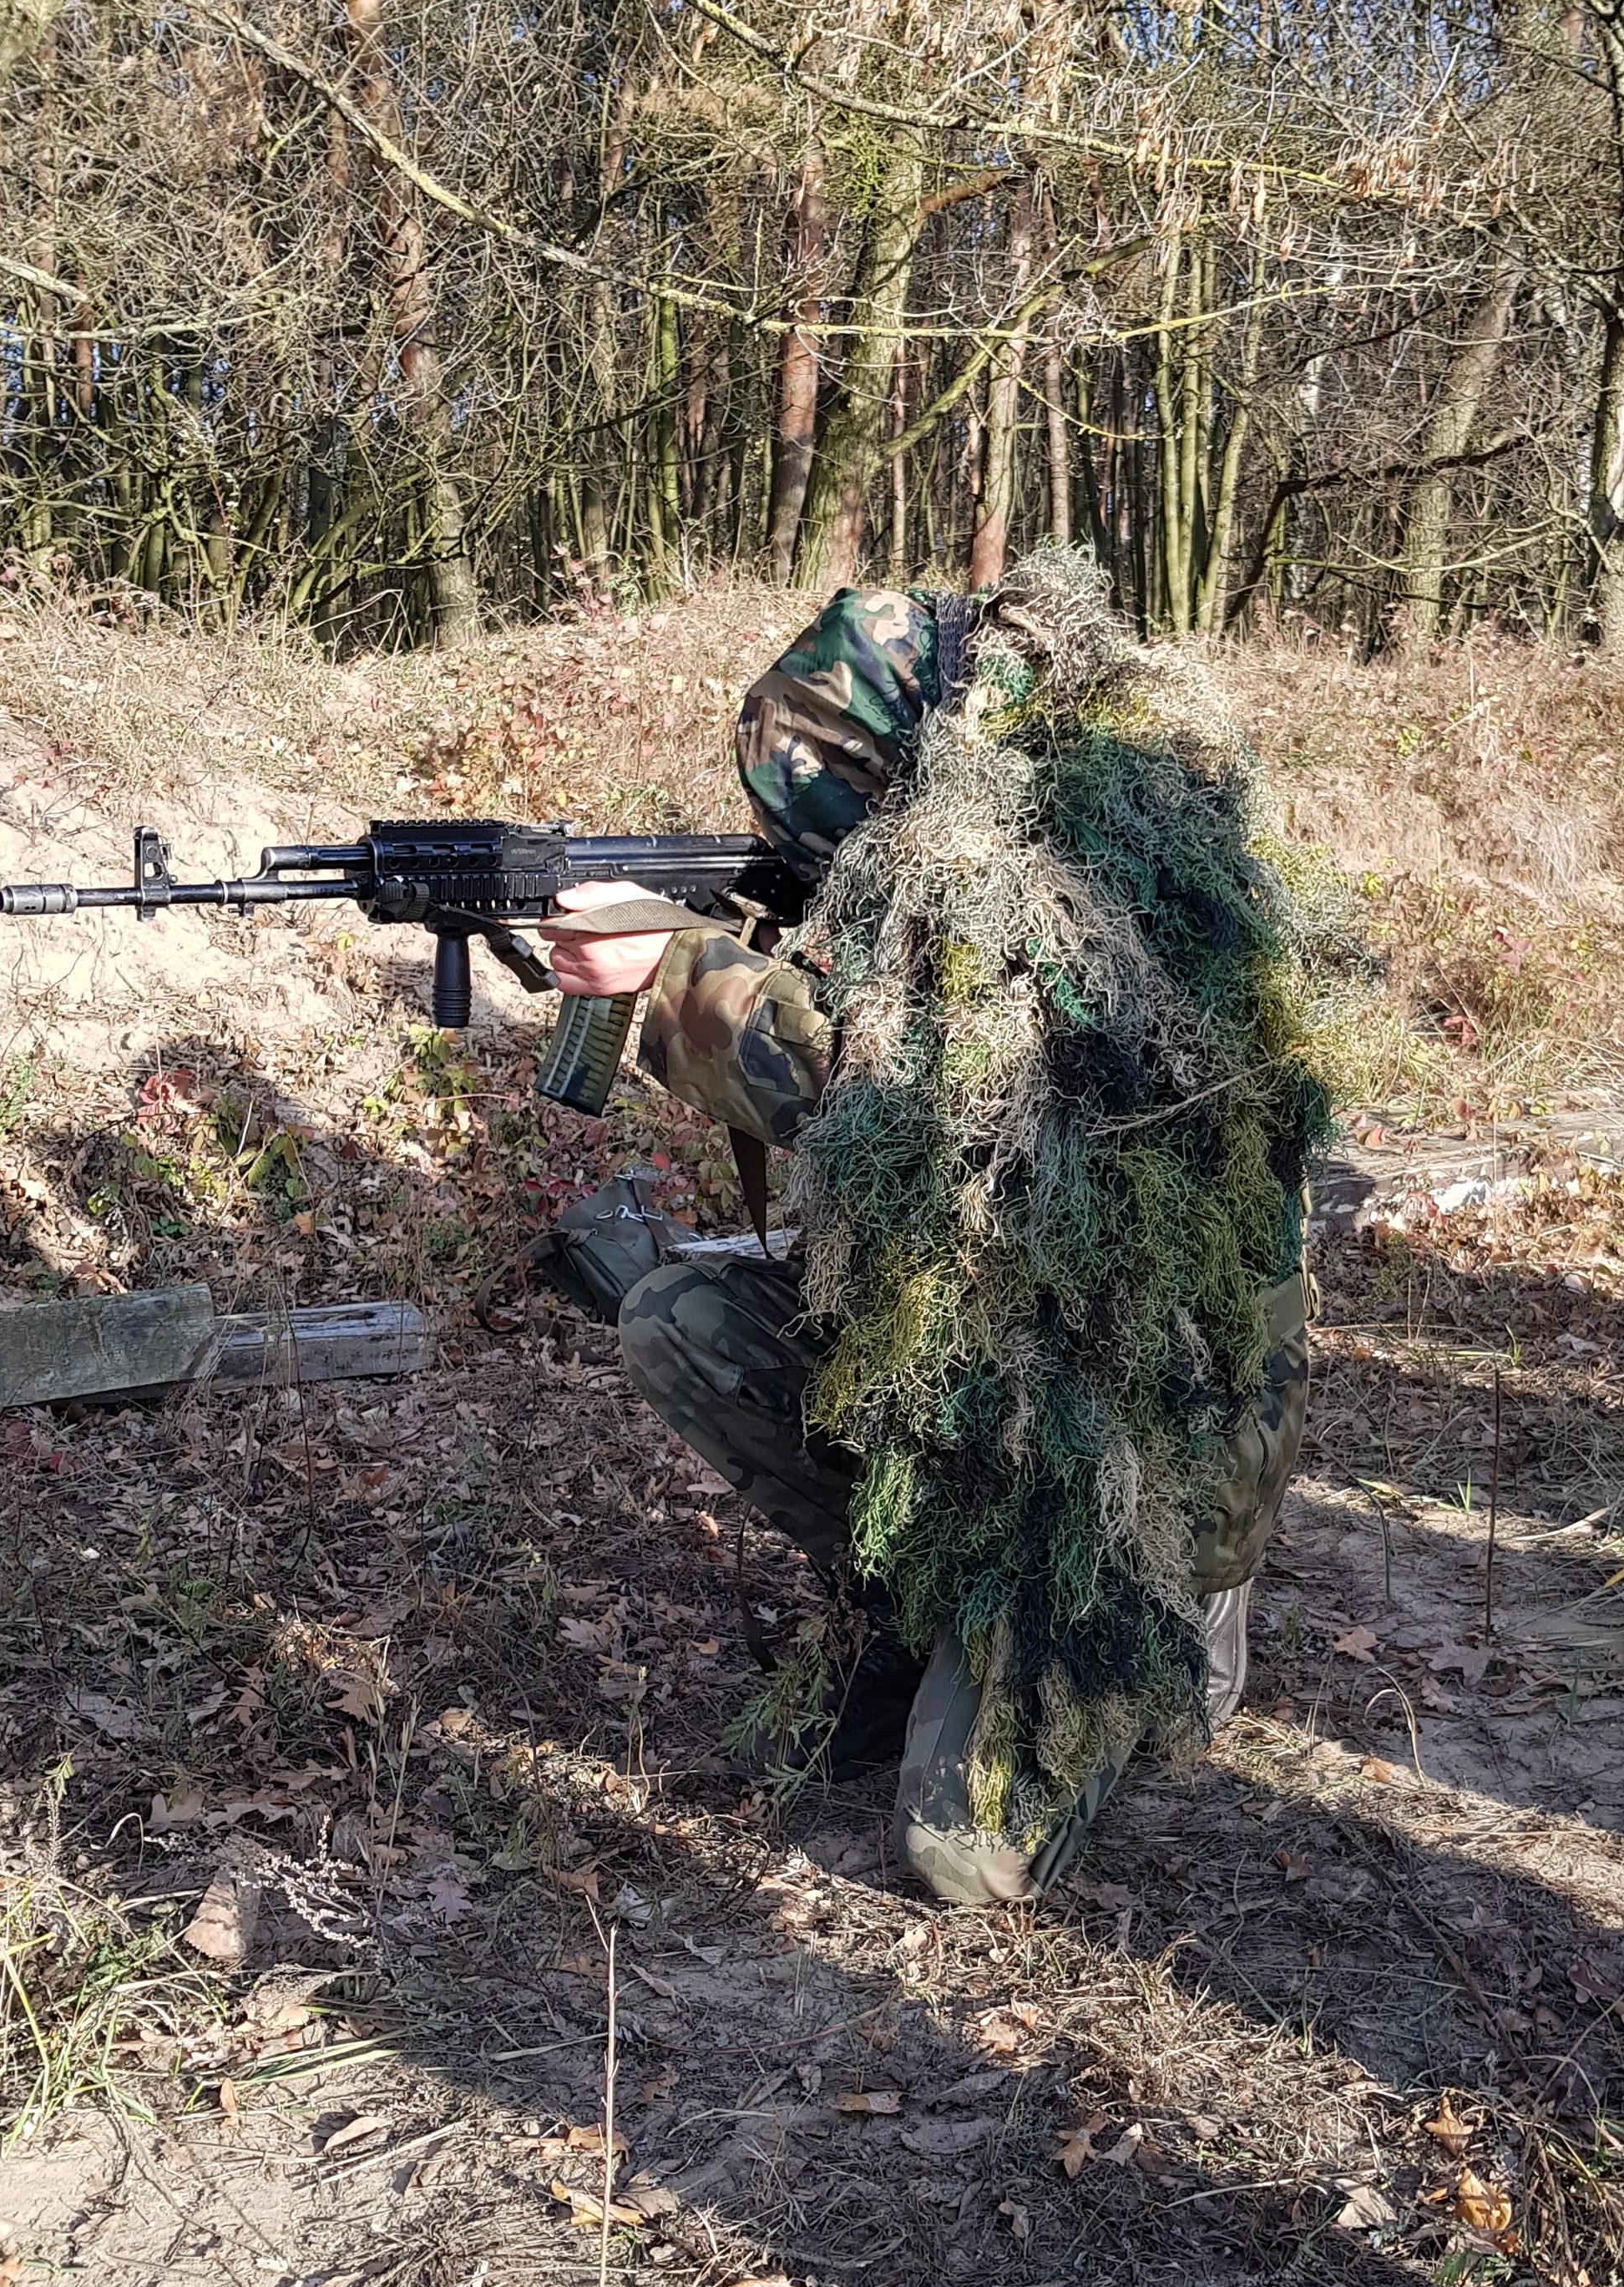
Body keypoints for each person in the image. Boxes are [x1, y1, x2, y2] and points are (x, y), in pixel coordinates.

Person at [542, 579, 1315, 1910]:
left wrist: (679, 979)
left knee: (961, 1853)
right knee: (685, 1321)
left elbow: (919, 1110)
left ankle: (1169, 1623)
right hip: (986, 1388)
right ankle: (917, 1601)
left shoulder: (1093, 888)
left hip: (1121, 1460)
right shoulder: (964, 867)